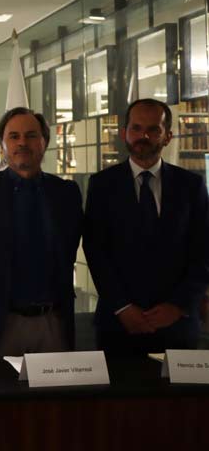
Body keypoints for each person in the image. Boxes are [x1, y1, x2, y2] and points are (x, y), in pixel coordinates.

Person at [84, 98, 209, 355]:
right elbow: (96, 251)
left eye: (154, 129)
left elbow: (203, 252)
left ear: (168, 136)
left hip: (178, 326)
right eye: (136, 128)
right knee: (118, 395)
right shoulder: (101, 185)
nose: (144, 135)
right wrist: (122, 307)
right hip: (119, 325)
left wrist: (178, 306)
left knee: (182, 397)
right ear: (124, 134)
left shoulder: (191, 186)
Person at [0, 107, 82, 359]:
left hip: (53, 324)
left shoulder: (67, 193)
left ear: (44, 142)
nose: (22, 143)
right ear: (2, 144)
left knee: (55, 399)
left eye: (31, 135)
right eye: (13, 136)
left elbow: (69, 250)